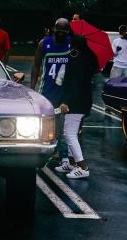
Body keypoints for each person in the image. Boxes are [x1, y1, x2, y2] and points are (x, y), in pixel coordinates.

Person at [31, 18, 71, 167]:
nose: (61, 33)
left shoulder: (71, 44)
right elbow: (35, 66)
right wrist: (32, 87)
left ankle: (63, 155)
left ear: (68, 31)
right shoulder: (44, 43)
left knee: (62, 125)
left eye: (64, 31)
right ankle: (44, 151)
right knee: (44, 124)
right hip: (46, 90)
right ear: (54, 29)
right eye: (58, 30)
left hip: (64, 91)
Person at [57, 35, 98, 179]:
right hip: (81, 102)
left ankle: (82, 167)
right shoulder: (84, 60)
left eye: (71, 46)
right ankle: (72, 163)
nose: (69, 48)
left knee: (69, 134)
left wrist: (66, 101)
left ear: (75, 47)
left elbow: (74, 85)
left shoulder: (78, 62)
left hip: (76, 103)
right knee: (70, 133)